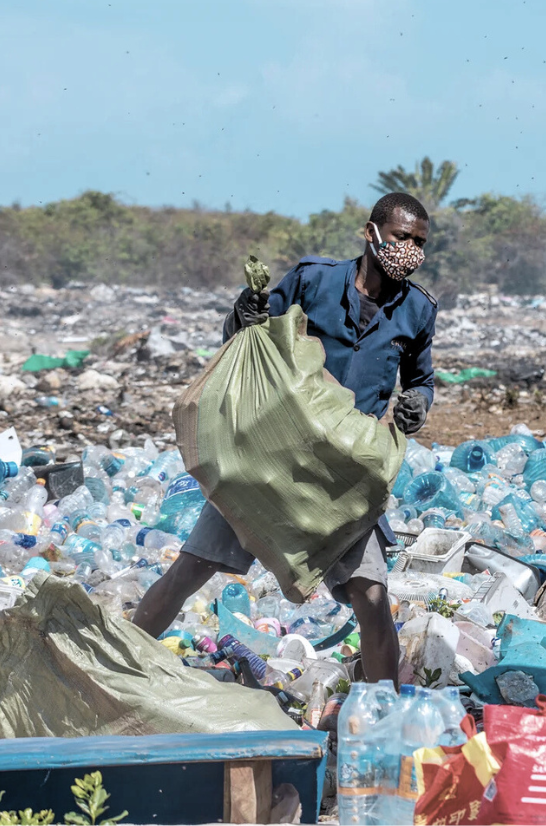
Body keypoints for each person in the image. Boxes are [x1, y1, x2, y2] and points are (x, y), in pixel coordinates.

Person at [132, 191, 437, 687]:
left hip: (343, 474)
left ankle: (382, 708)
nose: (411, 250)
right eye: (402, 237)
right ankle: (117, 663)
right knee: (192, 568)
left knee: (371, 595)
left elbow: (421, 380)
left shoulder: (418, 310)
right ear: (371, 233)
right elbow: (248, 334)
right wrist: (244, 311)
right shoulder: (314, 280)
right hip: (271, 455)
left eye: (420, 242)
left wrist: (417, 404)